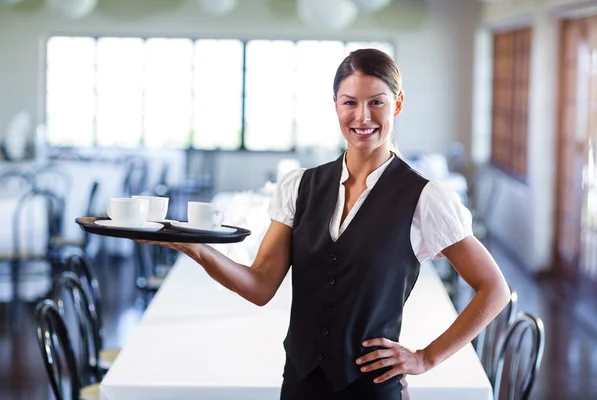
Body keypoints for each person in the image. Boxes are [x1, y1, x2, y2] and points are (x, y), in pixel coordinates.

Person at [140, 48, 511, 400]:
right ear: (335, 106)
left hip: (371, 389)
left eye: (376, 102)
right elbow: (260, 285)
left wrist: (425, 357)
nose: (362, 117)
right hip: (300, 385)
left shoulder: (426, 198)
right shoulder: (299, 186)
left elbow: (493, 289)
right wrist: (193, 247)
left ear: (397, 104)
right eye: (350, 102)